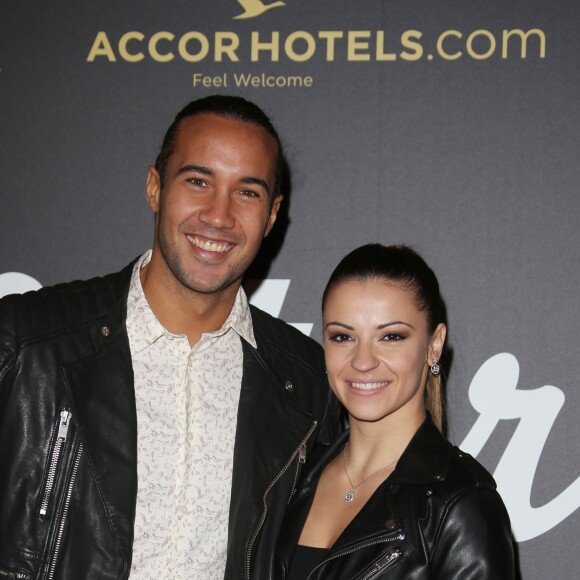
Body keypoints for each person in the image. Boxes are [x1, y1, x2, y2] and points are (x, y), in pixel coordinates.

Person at [0, 95, 338, 580]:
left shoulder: (307, 387)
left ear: (271, 214)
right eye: (198, 181)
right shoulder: (28, 344)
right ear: (155, 187)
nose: (218, 216)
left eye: (247, 192)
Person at [275, 244, 515, 579]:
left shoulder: (460, 507)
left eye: (390, 336)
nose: (362, 361)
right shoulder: (290, 478)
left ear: (434, 345)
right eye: (343, 337)